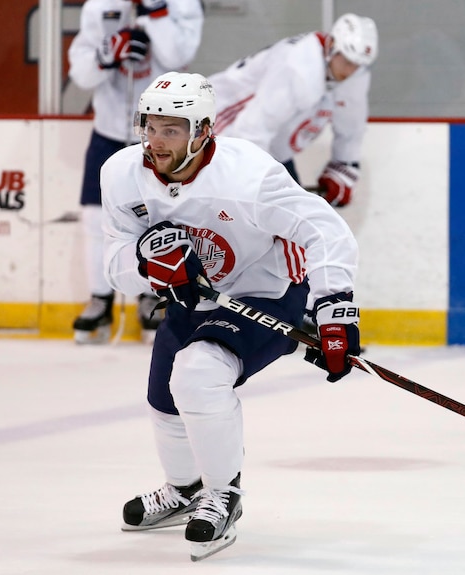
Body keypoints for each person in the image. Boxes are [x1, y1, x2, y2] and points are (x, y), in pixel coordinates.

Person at [100, 72, 360, 561]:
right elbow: (113, 259)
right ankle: (183, 490)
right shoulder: (121, 175)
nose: (155, 141)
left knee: (198, 372)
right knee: (163, 396)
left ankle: (223, 494)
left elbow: (325, 229)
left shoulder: (248, 177)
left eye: (171, 130)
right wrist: (145, 264)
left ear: (202, 131)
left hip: (268, 291)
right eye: (149, 126)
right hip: (195, 297)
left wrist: (334, 308)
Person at [67, 0, 204, 344]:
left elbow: (178, 55)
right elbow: (80, 73)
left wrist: (156, 13)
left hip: (163, 132)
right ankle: (100, 298)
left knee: (160, 216)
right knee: (95, 216)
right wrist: (104, 55)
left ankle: (150, 295)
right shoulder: (100, 5)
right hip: (109, 129)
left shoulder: (182, 4)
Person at [208, 13, 377, 208]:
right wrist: (255, 186)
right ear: (332, 47)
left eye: (357, 66)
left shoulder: (355, 71)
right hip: (222, 129)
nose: (350, 72)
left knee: (297, 217)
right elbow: (250, 130)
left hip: (269, 148)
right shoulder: (297, 67)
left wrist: (343, 165)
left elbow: (351, 123)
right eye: (347, 62)